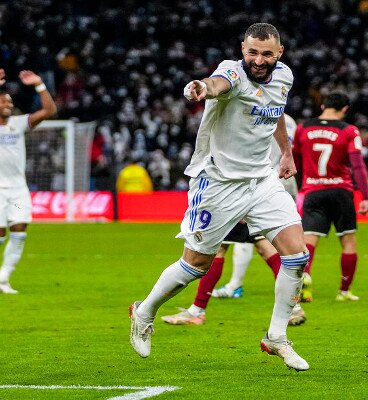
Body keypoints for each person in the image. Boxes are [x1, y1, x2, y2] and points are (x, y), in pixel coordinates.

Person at [129, 23, 310, 371]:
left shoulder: (284, 76)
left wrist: (285, 153)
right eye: (252, 52)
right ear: (243, 49)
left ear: (279, 53)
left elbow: (276, 115)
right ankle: (144, 311)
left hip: (261, 181)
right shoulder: (232, 72)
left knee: (296, 256)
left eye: (266, 54)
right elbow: (216, 84)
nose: (258, 60)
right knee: (195, 266)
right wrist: (200, 87)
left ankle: (276, 337)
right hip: (218, 184)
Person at [0, 68, 57, 294]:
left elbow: (50, 110)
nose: (8, 103)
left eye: (10, 101)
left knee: (19, 231)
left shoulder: (19, 123)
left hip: (17, 190)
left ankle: (2, 280)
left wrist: (39, 84)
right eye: (3, 101)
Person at [292, 92, 368, 303]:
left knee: (308, 241)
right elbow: (357, 165)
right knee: (348, 242)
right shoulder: (348, 130)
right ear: (345, 109)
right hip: (341, 192)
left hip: (313, 192)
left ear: (323, 105)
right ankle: (344, 291)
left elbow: (295, 163)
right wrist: (364, 195)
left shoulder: (303, 128)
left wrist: (299, 189)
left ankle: (304, 278)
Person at [212, 114, 299, 299]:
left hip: (260, 183)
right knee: (268, 242)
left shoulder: (255, 112)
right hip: (287, 181)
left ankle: (204, 305)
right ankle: (294, 290)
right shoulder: (290, 122)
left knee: (230, 242)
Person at [160, 222, 307, 327]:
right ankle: (294, 308)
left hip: (237, 198)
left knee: (219, 248)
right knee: (266, 248)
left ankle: (197, 311)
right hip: (260, 199)